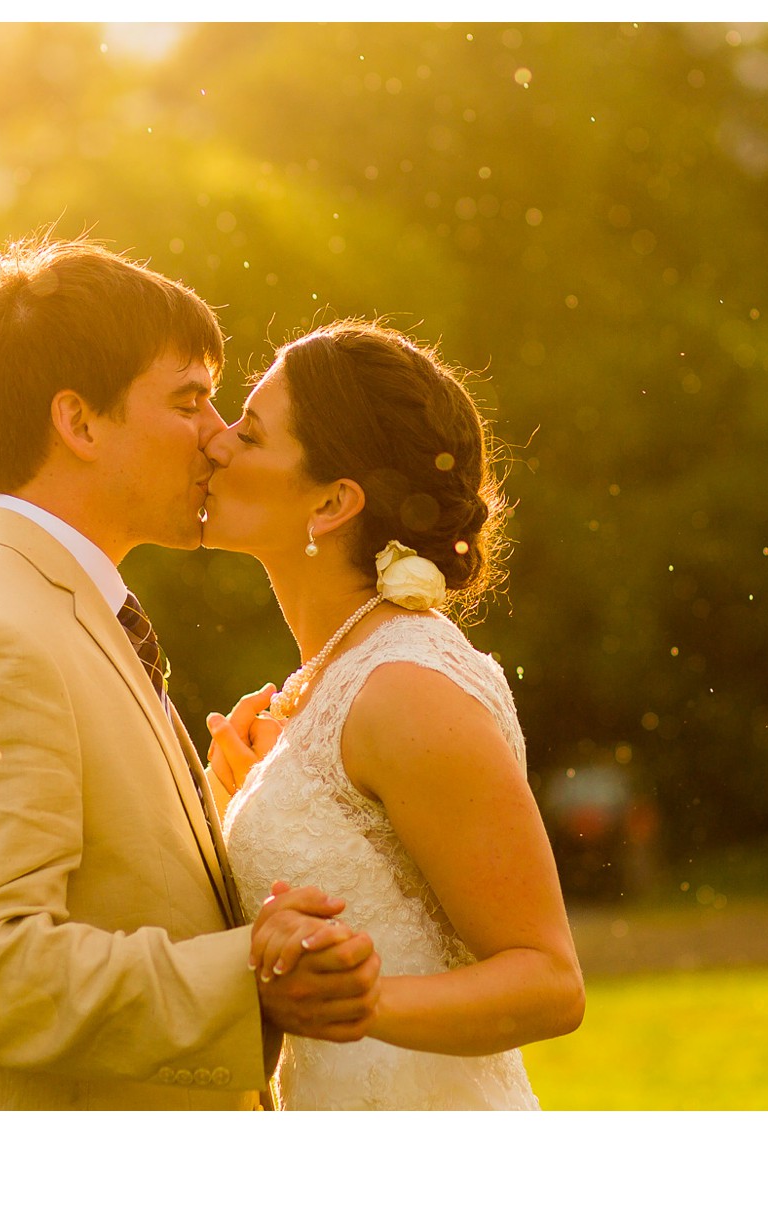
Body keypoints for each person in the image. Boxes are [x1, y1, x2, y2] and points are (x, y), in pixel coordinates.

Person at [0, 237, 381, 1110]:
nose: (219, 437)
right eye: (189, 400)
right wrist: (245, 975)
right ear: (79, 422)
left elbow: (106, 887)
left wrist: (219, 807)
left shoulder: (46, 606)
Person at [201, 318, 586, 1109]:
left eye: (250, 432)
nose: (216, 444)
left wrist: (357, 1004)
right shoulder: (330, 681)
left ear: (334, 502)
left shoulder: (407, 685)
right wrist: (240, 803)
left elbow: (548, 980)